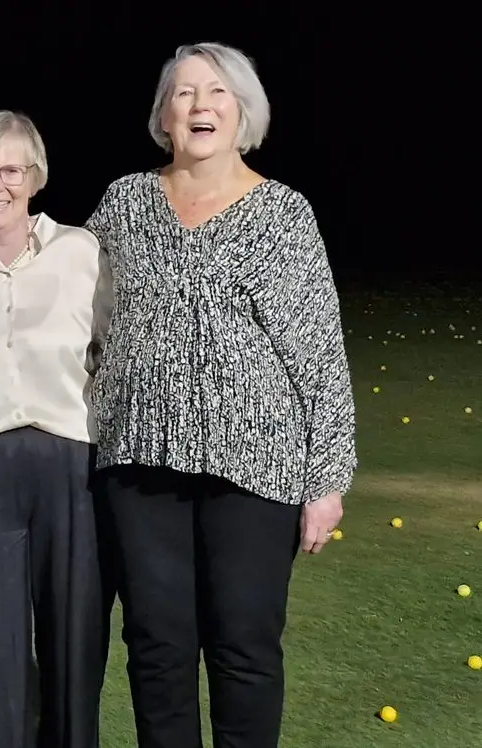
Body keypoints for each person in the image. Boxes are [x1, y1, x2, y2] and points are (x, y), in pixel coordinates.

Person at [83, 42, 355, 748]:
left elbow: (320, 356)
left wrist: (325, 482)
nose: (200, 105)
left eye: (216, 93)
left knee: (244, 645)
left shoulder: (283, 216)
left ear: (243, 112)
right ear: (163, 115)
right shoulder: (125, 201)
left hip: (257, 470)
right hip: (138, 460)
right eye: (183, 93)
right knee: (156, 645)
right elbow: (78, 315)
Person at [0, 110, 116, 748]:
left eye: (11, 169)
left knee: (74, 638)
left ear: (34, 177)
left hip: (71, 461)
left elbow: (114, 348)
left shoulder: (82, 252)